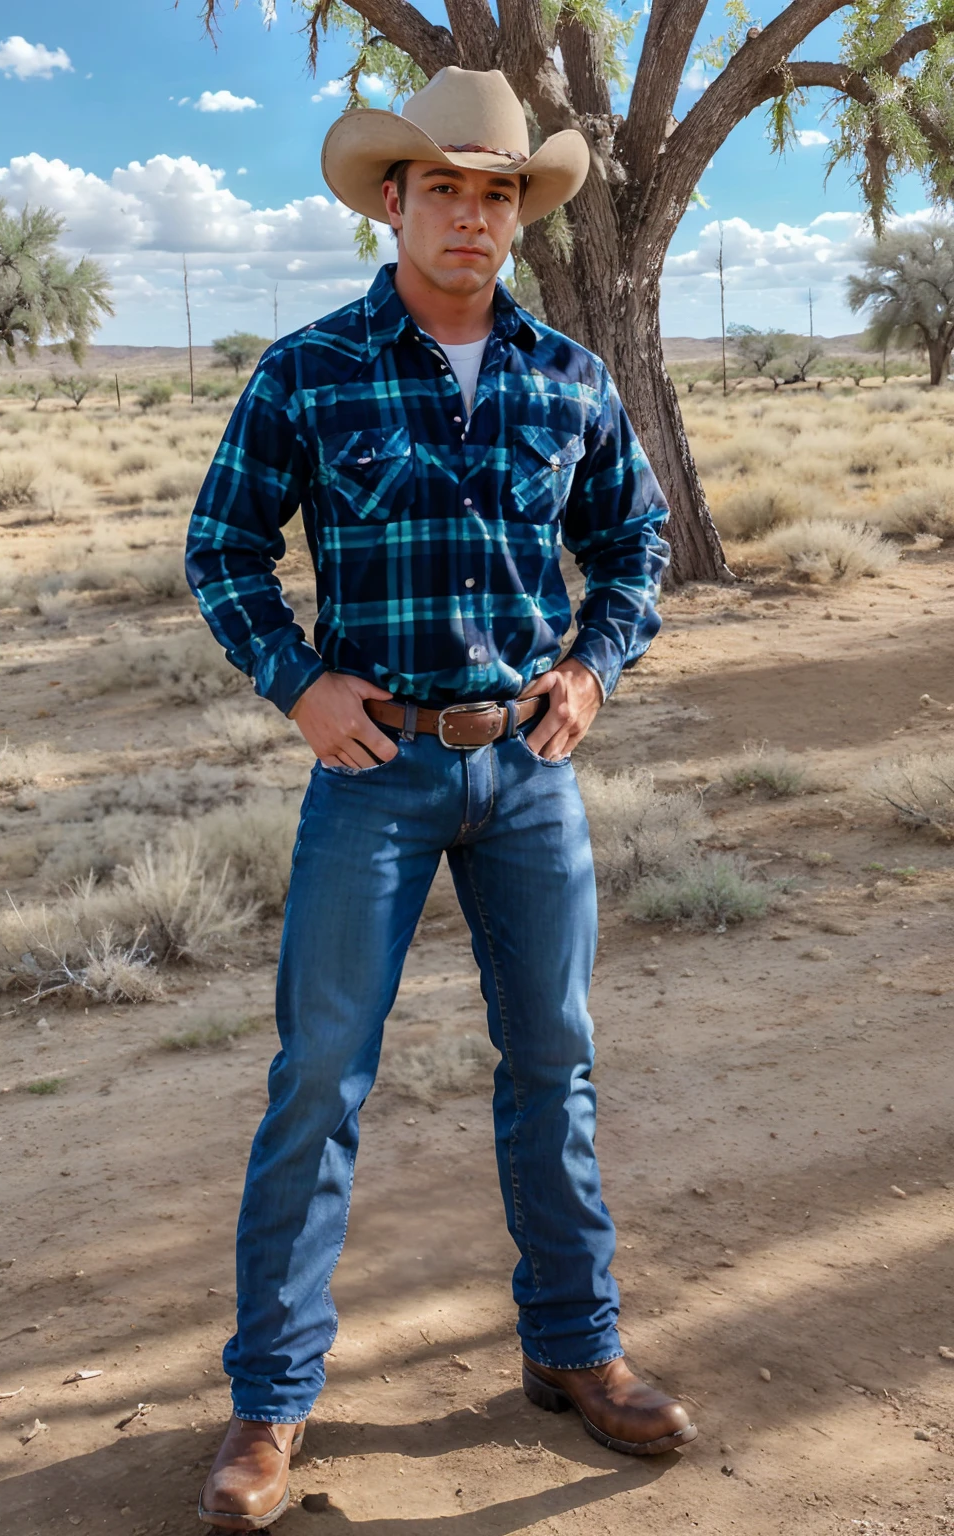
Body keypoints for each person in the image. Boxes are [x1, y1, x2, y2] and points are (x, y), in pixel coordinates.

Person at [185, 64, 694, 1532]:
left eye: (499, 194)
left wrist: (592, 673)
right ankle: (271, 1404)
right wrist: (299, 686)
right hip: (377, 769)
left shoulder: (567, 379)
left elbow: (637, 548)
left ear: (520, 216)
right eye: (446, 190)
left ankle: (576, 1349)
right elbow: (225, 545)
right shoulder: (309, 369)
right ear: (391, 202)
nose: (473, 217)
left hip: (526, 773)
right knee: (318, 1085)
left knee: (556, 1067)